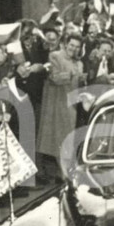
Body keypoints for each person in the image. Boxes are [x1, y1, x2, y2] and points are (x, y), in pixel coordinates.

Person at [38, 33, 85, 179]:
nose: (74, 49)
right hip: (57, 103)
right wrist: (71, 75)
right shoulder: (55, 56)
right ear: (65, 44)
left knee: (67, 138)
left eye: (77, 47)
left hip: (72, 103)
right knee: (61, 138)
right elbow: (54, 77)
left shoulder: (79, 62)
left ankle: (65, 173)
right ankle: (65, 174)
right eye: (71, 45)